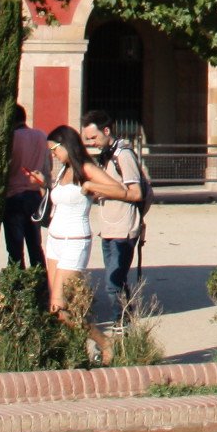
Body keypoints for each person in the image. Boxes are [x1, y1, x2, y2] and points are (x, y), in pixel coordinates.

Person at [79, 111, 150, 314]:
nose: (91, 143)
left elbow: (136, 193)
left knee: (112, 283)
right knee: (117, 281)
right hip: (108, 228)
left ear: (106, 131)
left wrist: (99, 188)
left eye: (94, 137)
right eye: (88, 139)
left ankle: (121, 321)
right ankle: (127, 317)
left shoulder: (123, 155)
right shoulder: (106, 156)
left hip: (124, 228)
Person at [43, 125, 96, 337]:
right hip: (55, 240)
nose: (53, 154)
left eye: (54, 149)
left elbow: (124, 191)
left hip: (74, 240)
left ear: (66, 144)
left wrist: (91, 187)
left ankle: (106, 344)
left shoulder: (86, 169)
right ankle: (74, 349)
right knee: (57, 308)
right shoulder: (64, 170)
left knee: (61, 308)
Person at [2, 108, 50, 271]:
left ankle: (17, 285)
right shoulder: (42, 136)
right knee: (35, 245)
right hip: (34, 196)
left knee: (15, 248)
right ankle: (41, 283)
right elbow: (47, 168)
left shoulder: (10, 138)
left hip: (13, 197)